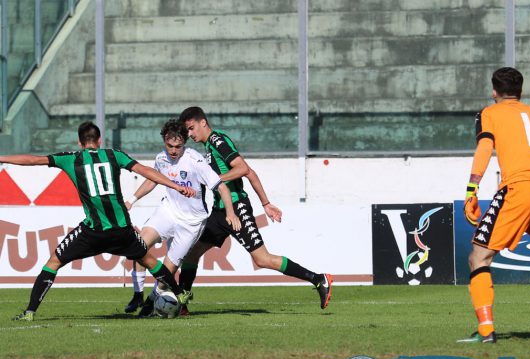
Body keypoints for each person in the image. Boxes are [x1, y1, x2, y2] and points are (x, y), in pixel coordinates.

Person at [1, 121, 196, 321]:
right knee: (149, 261)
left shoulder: (71, 159)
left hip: (93, 232)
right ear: (100, 140)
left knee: (53, 262)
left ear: (79, 142)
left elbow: (32, 160)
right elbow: (146, 171)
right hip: (122, 230)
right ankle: (179, 292)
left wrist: (2, 158)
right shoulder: (114, 155)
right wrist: (176, 186)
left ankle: (30, 312)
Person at [459, 67, 530, 343]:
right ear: (521, 92)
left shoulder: (489, 113)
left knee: (479, 257)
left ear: (494, 91)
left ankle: (486, 331)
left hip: (519, 188)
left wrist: (472, 189)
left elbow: (485, 148)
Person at [177, 106, 332, 310]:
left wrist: (215, 180)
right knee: (191, 254)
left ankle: (319, 279)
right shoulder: (208, 147)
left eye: (191, 128)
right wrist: (266, 203)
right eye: (187, 130)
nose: (190, 134)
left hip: (237, 208)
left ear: (203, 122)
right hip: (220, 212)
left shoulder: (217, 141)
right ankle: (182, 304)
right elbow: (250, 173)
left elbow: (242, 168)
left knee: (262, 259)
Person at [123, 119, 240, 315]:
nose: (173, 150)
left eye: (178, 146)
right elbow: (152, 180)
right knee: (139, 245)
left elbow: (221, 187)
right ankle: (137, 294)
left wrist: (230, 212)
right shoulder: (161, 158)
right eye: (170, 145)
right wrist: (131, 200)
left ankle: (151, 302)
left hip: (191, 223)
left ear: (184, 143)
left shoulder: (195, 161)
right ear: (164, 140)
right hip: (168, 211)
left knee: (167, 272)